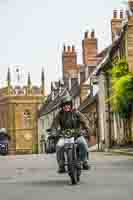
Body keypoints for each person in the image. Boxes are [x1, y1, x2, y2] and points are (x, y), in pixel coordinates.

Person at [50, 95, 93, 173]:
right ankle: (61, 165)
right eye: (64, 105)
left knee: (83, 144)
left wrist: (86, 129)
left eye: (68, 104)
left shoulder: (76, 113)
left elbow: (85, 121)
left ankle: (84, 161)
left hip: (77, 135)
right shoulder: (59, 115)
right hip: (64, 135)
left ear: (71, 105)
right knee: (59, 146)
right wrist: (53, 132)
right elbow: (54, 125)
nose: (66, 106)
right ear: (62, 106)